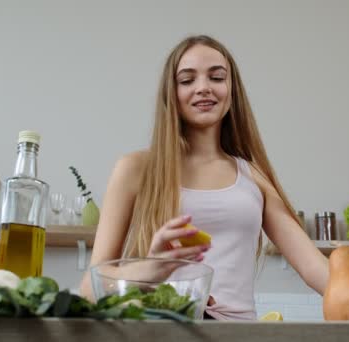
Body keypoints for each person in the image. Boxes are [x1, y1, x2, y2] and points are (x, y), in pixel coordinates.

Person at [79, 34, 329, 320]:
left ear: (231, 90)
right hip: (162, 331)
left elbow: (315, 270)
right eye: (187, 80)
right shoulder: (136, 168)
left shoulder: (253, 175)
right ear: (171, 94)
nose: (203, 88)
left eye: (217, 78)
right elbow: (90, 288)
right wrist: (153, 266)